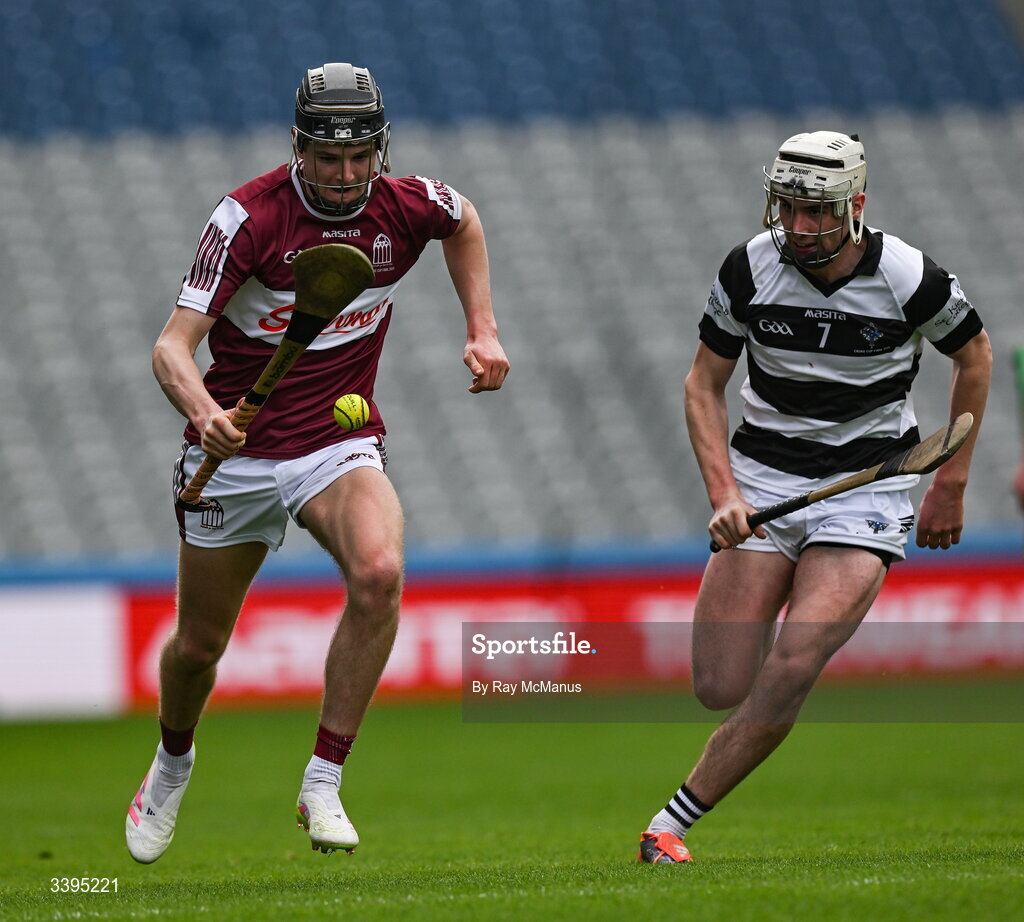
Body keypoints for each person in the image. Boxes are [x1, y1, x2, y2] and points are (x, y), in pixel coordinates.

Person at [125, 63, 509, 863]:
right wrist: (205, 416)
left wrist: (483, 327)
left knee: (378, 572)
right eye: (328, 158)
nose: (345, 176)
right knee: (198, 648)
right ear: (298, 148)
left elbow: (464, 220)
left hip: (336, 442)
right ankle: (172, 762)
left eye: (361, 156)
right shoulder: (247, 219)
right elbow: (170, 347)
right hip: (232, 456)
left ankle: (323, 781)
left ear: (382, 148)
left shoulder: (409, 205)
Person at [637, 131, 991, 863]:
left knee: (794, 662)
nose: (798, 226)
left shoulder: (908, 276)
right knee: (719, 681)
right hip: (766, 477)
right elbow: (702, 385)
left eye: (817, 211)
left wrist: (949, 483)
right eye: (788, 207)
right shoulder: (750, 267)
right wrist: (723, 492)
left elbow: (975, 357)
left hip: (868, 483)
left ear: (855, 206)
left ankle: (669, 824)